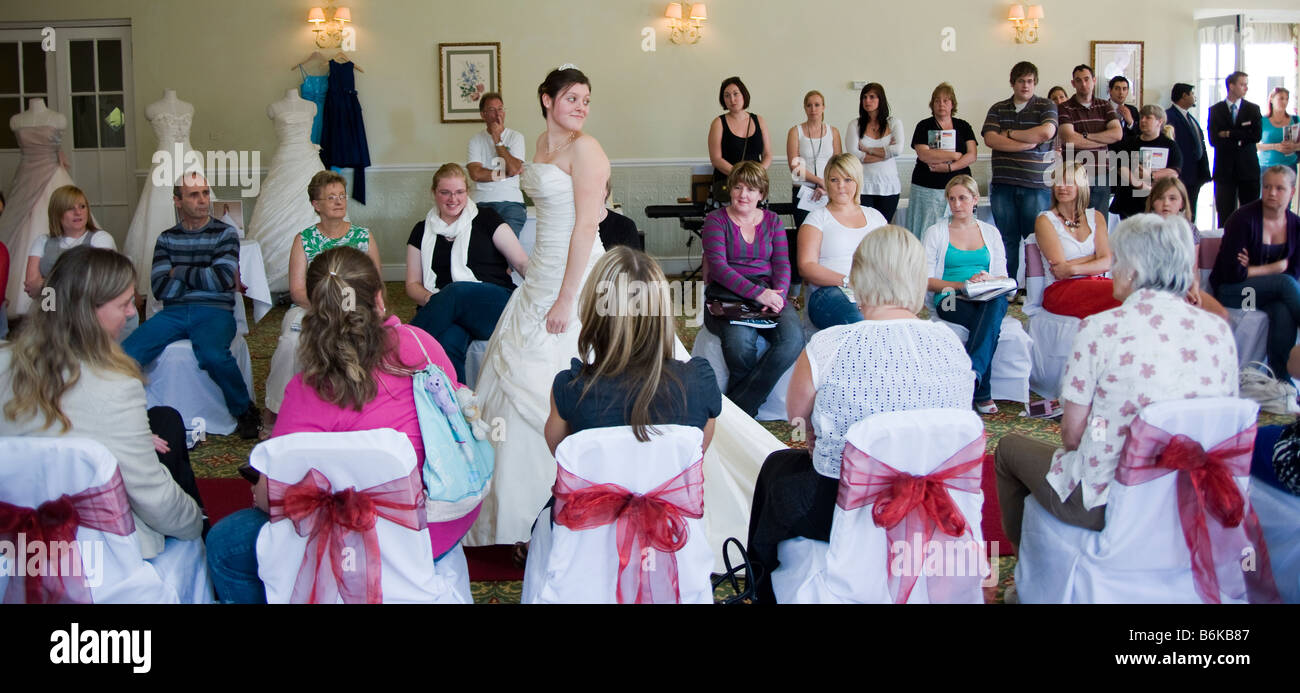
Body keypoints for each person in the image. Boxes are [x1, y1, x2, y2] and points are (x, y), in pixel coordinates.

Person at [467, 67, 782, 549]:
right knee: (513, 382)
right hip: (541, 276)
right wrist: (538, 281)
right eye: (572, 97)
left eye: (587, 100)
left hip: (579, 276)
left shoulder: (586, 150)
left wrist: (568, 299)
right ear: (546, 99)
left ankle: (587, 498)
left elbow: (582, 227)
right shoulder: (541, 145)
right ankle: (516, 518)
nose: (580, 107)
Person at [205, 247, 475, 603]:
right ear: (379, 299)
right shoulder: (421, 346)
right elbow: (458, 413)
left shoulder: (304, 391)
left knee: (223, 546)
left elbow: (269, 497)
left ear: (313, 313)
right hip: (434, 528)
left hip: (353, 537)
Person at [746, 225, 975, 603]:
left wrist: (816, 438)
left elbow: (796, 418)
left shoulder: (830, 343)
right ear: (918, 279)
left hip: (843, 504)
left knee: (777, 469)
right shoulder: (950, 343)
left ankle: (760, 582)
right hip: (932, 495)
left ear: (858, 277)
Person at [995, 214, 1238, 551]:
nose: (1111, 271)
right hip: (1193, 490)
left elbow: (1072, 435)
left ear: (1134, 269)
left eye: (1117, 260)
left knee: (1007, 449)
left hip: (1109, 498)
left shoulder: (1100, 329)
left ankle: (1030, 572)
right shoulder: (1218, 331)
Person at [0, 246, 205, 562]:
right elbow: (151, 496)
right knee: (167, 437)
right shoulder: (116, 386)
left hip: (14, 520)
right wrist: (194, 524)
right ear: (87, 312)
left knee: (164, 420)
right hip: (92, 537)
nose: (131, 313)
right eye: (123, 304)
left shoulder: (5, 361)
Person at [121, 172, 259, 439]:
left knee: (213, 355)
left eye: (205, 193)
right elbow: (160, 288)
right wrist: (199, 276)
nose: (203, 200)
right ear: (177, 201)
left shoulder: (225, 233)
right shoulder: (166, 238)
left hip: (215, 312)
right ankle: (128, 413)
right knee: (127, 353)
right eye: (194, 195)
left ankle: (245, 411)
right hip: (173, 313)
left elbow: (221, 279)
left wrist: (178, 271)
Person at [263, 171, 380, 428]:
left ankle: (362, 411)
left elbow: (376, 285)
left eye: (341, 196)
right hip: (312, 308)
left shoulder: (363, 236)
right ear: (317, 205)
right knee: (290, 344)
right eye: (331, 197)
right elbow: (297, 290)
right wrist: (326, 310)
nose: (339, 201)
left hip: (355, 308)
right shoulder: (303, 240)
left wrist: (366, 309)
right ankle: (276, 411)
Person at [405, 163, 529, 382]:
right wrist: (433, 299)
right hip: (446, 308)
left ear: (467, 192)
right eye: (445, 192)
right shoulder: (420, 230)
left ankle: (397, 350)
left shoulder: (487, 219)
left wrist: (546, 294)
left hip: (492, 304)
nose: (453, 199)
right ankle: (458, 403)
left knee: (456, 290)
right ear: (434, 193)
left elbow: (521, 262)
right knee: (447, 342)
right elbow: (412, 284)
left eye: (459, 192)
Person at [701, 161, 802, 417]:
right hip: (726, 293)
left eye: (751, 189)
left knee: (793, 340)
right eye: (738, 187)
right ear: (730, 189)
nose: (743, 194)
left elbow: (782, 263)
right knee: (740, 345)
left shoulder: (773, 221)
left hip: (768, 292)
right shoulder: (715, 221)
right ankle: (747, 412)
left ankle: (737, 410)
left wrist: (777, 294)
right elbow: (720, 269)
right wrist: (758, 294)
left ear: (761, 194)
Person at [924, 175, 1009, 414]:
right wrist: (962, 285)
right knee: (989, 325)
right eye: (951, 199)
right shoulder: (936, 232)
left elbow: (1002, 275)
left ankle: (972, 378)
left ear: (975, 200)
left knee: (995, 303)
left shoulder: (990, 233)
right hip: (949, 295)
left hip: (986, 294)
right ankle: (980, 389)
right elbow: (927, 281)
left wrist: (987, 280)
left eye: (962, 198)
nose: (956, 204)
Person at [1210, 166, 1300, 379]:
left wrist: (1251, 270)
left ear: (1292, 192)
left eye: (1279, 188)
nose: (1271, 193)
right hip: (1234, 294)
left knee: (1282, 310)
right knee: (1284, 284)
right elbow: (1233, 273)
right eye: (1267, 186)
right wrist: (1272, 269)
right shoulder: (1242, 219)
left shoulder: (1296, 225)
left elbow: (1295, 271)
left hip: (1267, 295)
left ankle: (1281, 381)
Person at [982, 61, 1059, 285]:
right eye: (1021, 81)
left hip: (1036, 185)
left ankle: (1035, 289)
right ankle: (1008, 287)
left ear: (1035, 83)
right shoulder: (998, 108)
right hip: (1003, 185)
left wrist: (1010, 133)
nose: (1025, 85)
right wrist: (1025, 144)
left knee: (1035, 240)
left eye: (1030, 81)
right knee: (1007, 240)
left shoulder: (1046, 106)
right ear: (1012, 83)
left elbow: (1046, 132)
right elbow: (990, 139)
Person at [798, 153, 887, 329]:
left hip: (873, 290)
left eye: (848, 179)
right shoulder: (816, 218)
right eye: (834, 180)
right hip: (830, 292)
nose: (841, 186)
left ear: (857, 181)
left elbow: (891, 259)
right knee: (859, 322)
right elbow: (806, 266)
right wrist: (849, 281)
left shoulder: (876, 217)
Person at [1034, 161, 1119, 319]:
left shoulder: (1096, 216)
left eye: (1069, 182)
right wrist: (1096, 258)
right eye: (1058, 181)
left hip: (1096, 283)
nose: (1061, 187)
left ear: (1081, 186)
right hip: (1060, 290)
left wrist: (1072, 268)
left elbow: (1107, 262)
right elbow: (1059, 271)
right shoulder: (1045, 220)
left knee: (1130, 291)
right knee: (1125, 293)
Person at [1146, 177, 1228, 320]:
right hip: (1154, 288)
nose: (1166, 203)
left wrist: (1194, 288)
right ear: (1153, 202)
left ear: (1182, 203)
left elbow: (1193, 269)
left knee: (1221, 315)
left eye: (1172, 198)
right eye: (1160, 198)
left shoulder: (1191, 230)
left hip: (1184, 286)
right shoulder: (1144, 229)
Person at [908, 82, 978, 240]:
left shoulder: (963, 126)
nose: (941, 104)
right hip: (927, 188)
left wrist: (949, 167)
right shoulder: (924, 126)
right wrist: (954, 155)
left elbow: (972, 155)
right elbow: (924, 155)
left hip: (959, 187)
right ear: (932, 104)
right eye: (937, 101)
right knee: (927, 232)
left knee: (959, 232)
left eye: (946, 100)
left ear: (952, 104)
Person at [24, 185, 116, 300]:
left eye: (82, 207)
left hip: (86, 310)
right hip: (49, 308)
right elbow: (32, 287)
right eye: (70, 208)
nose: (78, 212)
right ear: (57, 213)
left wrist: (45, 284)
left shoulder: (101, 239)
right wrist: (75, 281)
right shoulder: (42, 241)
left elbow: (97, 283)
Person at [1058, 64, 1123, 217]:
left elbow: (1117, 134)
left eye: (1087, 79)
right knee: (1075, 221)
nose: (1084, 84)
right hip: (1075, 175)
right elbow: (1070, 139)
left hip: (1101, 172)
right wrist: (1103, 139)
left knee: (1099, 223)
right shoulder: (1064, 108)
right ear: (1073, 84)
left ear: (1093, 80)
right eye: (1078, 81)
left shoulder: (1104, 105)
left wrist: (1085, 136)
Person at [466, 92, 527, 236]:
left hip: (511, 203)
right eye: (492, 110)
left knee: (507, 247)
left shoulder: (516, 137)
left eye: (500, 109)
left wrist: (497, 139)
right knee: (482, 247)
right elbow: (476, 174)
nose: (497, 114)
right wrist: (506, 173)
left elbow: (514, 168)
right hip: (481, 202)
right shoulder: (475, 140)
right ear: (483, 114)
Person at [1109, 105, 1182, 220]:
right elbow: (1120, 168)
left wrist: (1151, 176)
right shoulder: (1130, 143)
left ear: (1159, 121)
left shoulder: (1169, 145)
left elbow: (1174, 171)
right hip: (1130, 201)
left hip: (1157, 199)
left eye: (1148, 118)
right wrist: (1139, 184)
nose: (1143, 120)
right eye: (1141, 117)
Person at [1209, 71, 1264, 225]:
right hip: (1224, 170)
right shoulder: (1216, 110)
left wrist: (1229, 133)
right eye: (1242, 84)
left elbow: (1255, 136)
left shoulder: (1253, 109)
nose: (1246, 87)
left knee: (1251, 214)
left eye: (1247, 84)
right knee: (1224, 215)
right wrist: (1241, 137)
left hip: (1248, 169)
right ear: (1231, 86)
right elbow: (1214, 139)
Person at [708, 76, 772, 207]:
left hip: (755, 185)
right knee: (726, 226)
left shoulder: (759, 120)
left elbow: (767, 154)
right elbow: (716, 159)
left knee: (756, 225)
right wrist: (741, 176)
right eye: (726, 96)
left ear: (744, 94)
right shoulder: (718, 123)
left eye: (735, 94)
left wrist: (755, 174)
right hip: (727, 185)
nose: (732, 99)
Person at [845, 83, 904, 222]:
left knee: (883, 228)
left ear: (881, 99)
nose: (867, 101)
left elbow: (898, 150)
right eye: (864, 97)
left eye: (872, 97)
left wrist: (867, 150)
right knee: (864, 228)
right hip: (863, 186)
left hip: (889, 186)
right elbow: (853, 155)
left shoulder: (894, 123)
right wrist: (886, 153)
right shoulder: (855, 124)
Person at [785, 90, 841, 229]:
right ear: (804, 108)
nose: (813, 109)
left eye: (817, 105)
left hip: (829, 191)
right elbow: (795, 168)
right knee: (805, 233)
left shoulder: (833, 131)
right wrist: (820, 182)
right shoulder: (795, 131)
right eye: (809, 105)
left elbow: (838, 165)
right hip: (804, 191)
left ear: (823, 107)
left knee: (829, 232)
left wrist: (827, 186)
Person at [1166, 83, 1212, 225]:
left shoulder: (1190, 118)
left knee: (1191, 213)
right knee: (1180, 214)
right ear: (1184, 95)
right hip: (1182, 174)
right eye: (1192, 94)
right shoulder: (1170, 116)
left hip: (1195, 174)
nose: (1195, 97)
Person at [1258, 87, 1298, 175]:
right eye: (1281, 98)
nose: (1284, 102)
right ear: (1271, 99)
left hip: (1289, 166)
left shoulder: (1295, 120)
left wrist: (1294, 146)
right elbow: (1254, 145)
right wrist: (1275, 146)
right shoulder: (1261, 121)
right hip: (1266, 166)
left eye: (1287, 99)